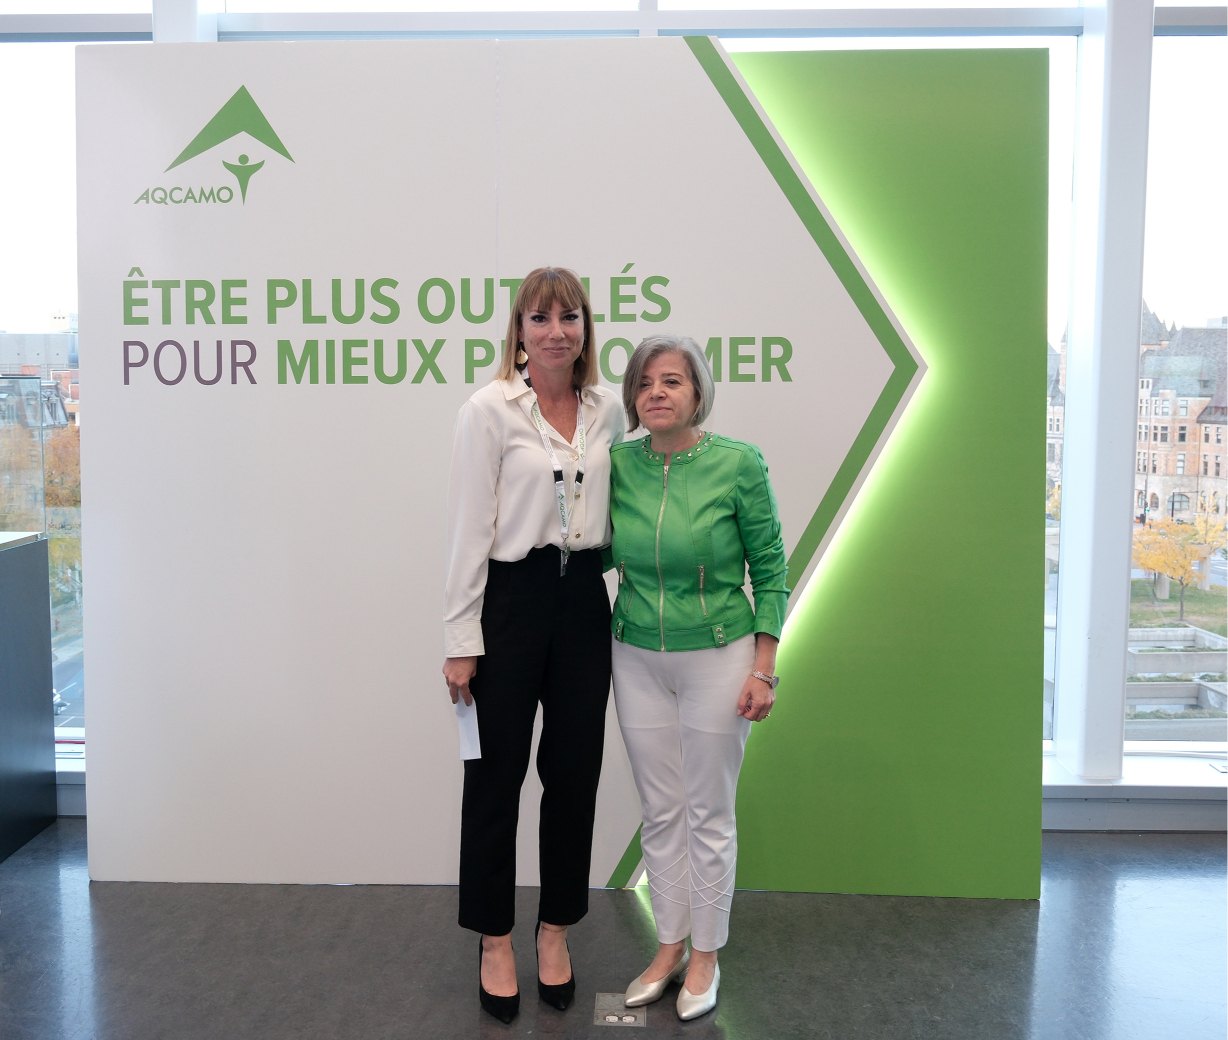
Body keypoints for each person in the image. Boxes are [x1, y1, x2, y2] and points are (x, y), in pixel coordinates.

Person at [442, 266, 623, 1024]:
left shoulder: (608, 410)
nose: (556, 331)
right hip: (510, 602)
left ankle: (554, 931)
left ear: (586, 328)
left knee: (574, 775)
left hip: (582, 599)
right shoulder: (489, 410)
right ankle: (494, 938)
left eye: (569, 317)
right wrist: (461, 638)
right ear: (518, 330)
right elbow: (469, 529)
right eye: (540, 318)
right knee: (495, 777)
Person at [608, 334, 788, 1021]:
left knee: (709, 812)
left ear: (697, 391)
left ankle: (706, 955)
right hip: (635, 656)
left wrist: (764, 668)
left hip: (719, 654)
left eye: (672, 381)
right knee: (661, 810)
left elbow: (769, 566)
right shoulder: (618, 465)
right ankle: (669, 946)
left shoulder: (738, 464)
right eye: (645, 382)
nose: (656, 392)